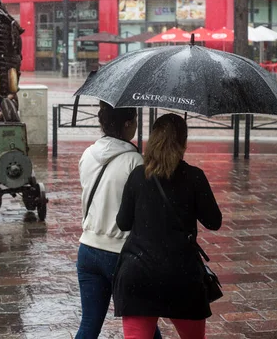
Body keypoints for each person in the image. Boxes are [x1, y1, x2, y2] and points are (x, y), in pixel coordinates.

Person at [113, 113, 222, 339]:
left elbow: (122, 223)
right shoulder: (194, 177)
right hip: (181, 276)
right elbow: (214, 222)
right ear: (183, 142)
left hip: (138, 274)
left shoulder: (137, 176)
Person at [76, 101, 161, 339]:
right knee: (144, 324)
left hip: (88, 249)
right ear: (127, 124)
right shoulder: (135, 161)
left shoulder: (87, 154)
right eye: (134, 121)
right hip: (120, 254)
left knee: (89, 325)